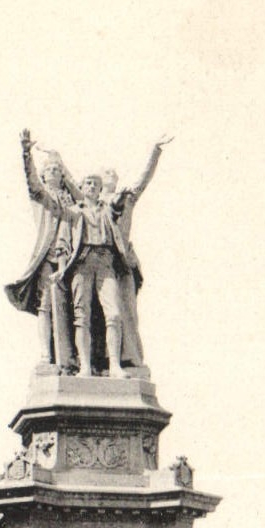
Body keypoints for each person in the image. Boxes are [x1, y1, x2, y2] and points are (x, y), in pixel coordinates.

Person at [5, 130, 78, 371]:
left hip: (69, 259)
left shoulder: (70, 200)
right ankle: (47, 355)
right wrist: (26, 153)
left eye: (58, 170)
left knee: (71, 309)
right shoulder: (42, 195)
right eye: (50, 170)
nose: (55, 173)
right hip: (48, 256)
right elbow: (31, 180)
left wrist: (62, 163)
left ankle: (71, 357)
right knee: (45, 306)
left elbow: (83, 196)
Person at [99, 138, 169, 367]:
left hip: (123, 262)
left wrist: (155, 151)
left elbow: (143, 179)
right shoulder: (92, 204)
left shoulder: (127, 199)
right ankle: (104, 360)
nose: (111, 174)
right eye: (106, 173)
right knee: (105, 315)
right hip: (100, 262)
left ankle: (130, 358)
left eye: (113, 173)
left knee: (127, 312)